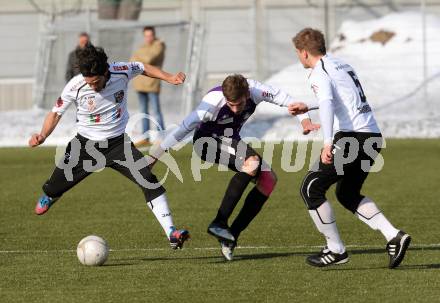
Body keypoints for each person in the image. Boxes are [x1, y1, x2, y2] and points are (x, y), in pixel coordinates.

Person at [29, 44, 189, 250]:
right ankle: (50, 195)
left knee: (148, 180)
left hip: (118, 145)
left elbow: (144, 67)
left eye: (96, 82)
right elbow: (56, 112)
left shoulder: (120, 71)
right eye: (89, 82)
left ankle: (172, 233)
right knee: (54, 187)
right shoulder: (75, 85)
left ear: (106, 71)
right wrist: (42, 135)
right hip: (85, 145)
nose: (93, 86)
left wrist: (168, 77)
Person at [148, 74, 320, 260]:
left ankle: (230, 237)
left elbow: (290, 102)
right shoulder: (212, 103)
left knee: (268, 180)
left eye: (240, 104)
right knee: (252, 162)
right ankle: (219, 222)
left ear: (247, 94)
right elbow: (182, 129)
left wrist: (305, 121)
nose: (236, 109)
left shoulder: (257, 90)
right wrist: (153, 157)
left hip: (230, 140)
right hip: (206, 142)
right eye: (231, 105)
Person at [288, 28, 411, 268]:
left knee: (310, 188)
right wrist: (308, 107)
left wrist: (327, 141)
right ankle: (394, 236)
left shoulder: (318, 72)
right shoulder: (341, 64)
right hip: (372, 136)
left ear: (303, 53)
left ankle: (336, 251)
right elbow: (342, 99)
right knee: (347, 193)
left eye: (297, 53)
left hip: (352, 139)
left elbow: (327, 102)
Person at [130, 26, 166, 146]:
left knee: (156, 111)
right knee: (143, 111)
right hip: (140, 83)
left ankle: (162, 135)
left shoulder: (159, 45)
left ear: (154, 35)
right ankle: (145, 136)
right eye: (146, 35)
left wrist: (138, 58)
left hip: (152, 83)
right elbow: (131, 61)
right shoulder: (142, 47)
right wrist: (139, 59)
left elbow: (148, 59)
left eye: (150, 35)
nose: (148, 38)